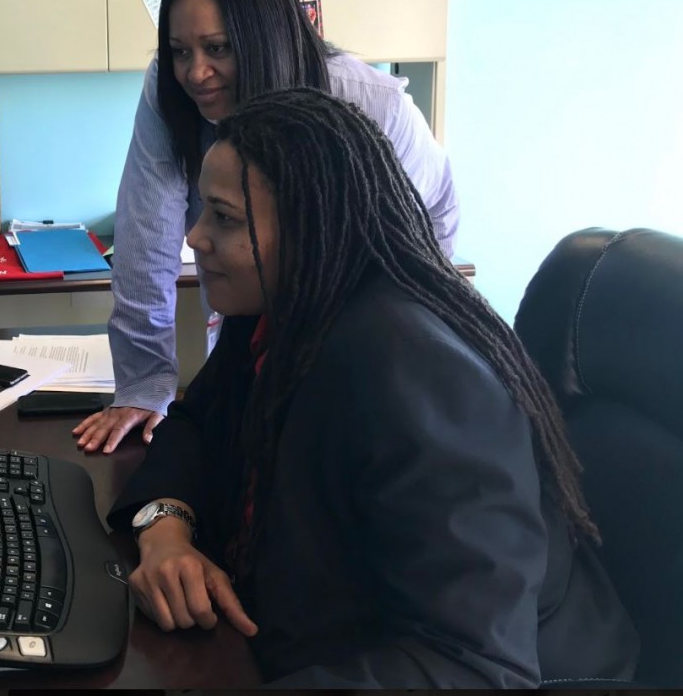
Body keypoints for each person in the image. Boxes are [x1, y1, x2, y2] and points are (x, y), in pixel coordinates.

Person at [108, 90, 639, 687]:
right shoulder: (275, 309)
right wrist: (165, 530)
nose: (197, 238)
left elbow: (474, 666)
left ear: (313, 224)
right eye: (202, 211)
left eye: (224, 217)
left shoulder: (419, 376)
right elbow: (197, 423)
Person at [74, 0, 460, 454]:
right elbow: (147, 230)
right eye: (180, 52)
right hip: (258, 313)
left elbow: (406, 257)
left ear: (267, 38)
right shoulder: (169, 88)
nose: (196, 73)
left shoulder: (372, 108)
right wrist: (144, 385)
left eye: (218, 48)